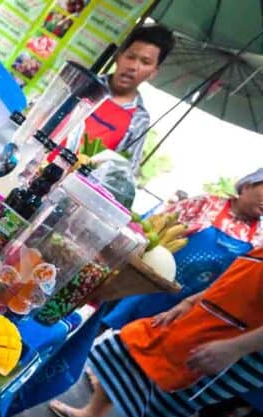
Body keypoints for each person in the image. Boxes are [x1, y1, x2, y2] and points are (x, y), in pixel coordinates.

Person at [50, 245, 263, 417]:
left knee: (172, 402)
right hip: (205, 318)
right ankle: (91, 416)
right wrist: (189, 303)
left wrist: (235, 348)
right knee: (128, 346)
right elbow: (237, 278)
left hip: (242, 347)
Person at [103, 168, 263, 330]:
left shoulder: (259, 239)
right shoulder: (205, 204)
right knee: (104, 324)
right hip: (146, 283)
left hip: (180, 307)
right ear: (247, 185)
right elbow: (152, 228)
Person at [65, 25, 175, 171]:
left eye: (145, 62)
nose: (134, 67)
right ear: (118, 56)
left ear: (153, 72)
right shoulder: (82, 85)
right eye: (130, 57)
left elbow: (123, 172)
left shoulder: (139, 119)